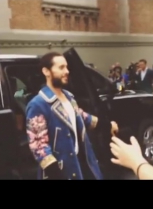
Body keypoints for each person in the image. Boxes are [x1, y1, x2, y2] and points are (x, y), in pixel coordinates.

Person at [26, 52, 119, 180]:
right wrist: (57, 174)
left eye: (67, 67)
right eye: (61, 67)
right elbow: (38, 146)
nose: (67, 71)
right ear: (46, 71)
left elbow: (82, 117)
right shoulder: (38, 104)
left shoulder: (69, 97)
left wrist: (108, 125)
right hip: (60, 172)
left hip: (82, 166)